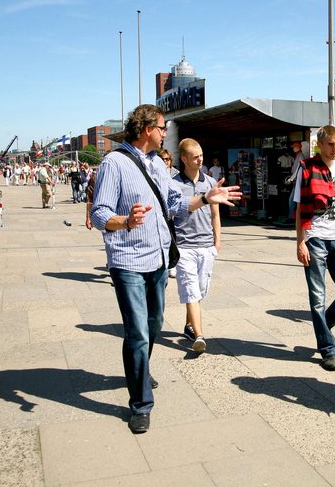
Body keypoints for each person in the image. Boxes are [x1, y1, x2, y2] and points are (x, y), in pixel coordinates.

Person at [90, 104, 240, 434]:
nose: (164, 133)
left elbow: (174, 203)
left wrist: (206, 197)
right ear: (146, 130)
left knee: (155, 322)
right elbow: (100, 213)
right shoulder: (114, 163)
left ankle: (140, 368)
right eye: (161, 128)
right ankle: (140, 404)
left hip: (158, 260)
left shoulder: (157, 163)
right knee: (137, 331)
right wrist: (125, 221)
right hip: (127, 261)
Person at [295, 125, 335, 371]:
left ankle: (324, 330)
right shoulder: (307, 169)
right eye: (331, 144)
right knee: (317, 298)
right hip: (315, 238)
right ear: (320, 145)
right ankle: (327, 349)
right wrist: (300, 242)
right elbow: (300, 209)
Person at [172, 138, 220, 353]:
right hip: (185, 245)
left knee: (199, 291)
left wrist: (217, 242)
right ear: (184, 159)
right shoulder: (174, 184)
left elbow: (215, 214)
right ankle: (199, 336)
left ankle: (189, 325)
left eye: (201, 155)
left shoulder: (209, 183)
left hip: (206, 244)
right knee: (191, 291)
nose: (200, 159)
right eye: (195, 156)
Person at [158, 149, 179, 277]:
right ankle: (164, 262)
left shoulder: (176, 174)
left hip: (173, 213)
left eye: (167, 159)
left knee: (173, 238)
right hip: (160, 211)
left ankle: (173, 264)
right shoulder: (156, 173)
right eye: (162, 159)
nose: (165, 161)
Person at [288, 142, 306, 220]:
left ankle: (291, 216)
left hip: (298, 181)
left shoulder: (300, 156)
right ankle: (292, 216)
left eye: (294, 147)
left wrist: (291, 179)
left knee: (292, 199)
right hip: (296, 180)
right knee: (293, 199)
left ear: (298, 148)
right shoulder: (298, 156)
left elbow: (298, 169)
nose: (293, 149)